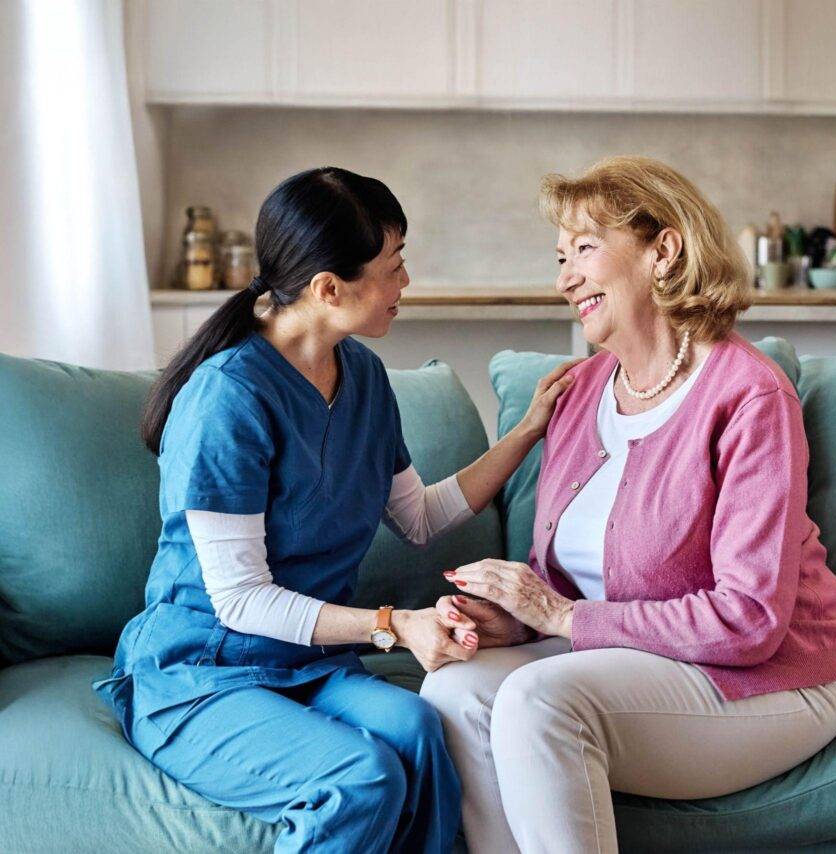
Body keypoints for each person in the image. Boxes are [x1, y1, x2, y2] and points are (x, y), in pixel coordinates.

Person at [91, 166, 578, 853]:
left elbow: (418, 518)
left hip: (307, 665)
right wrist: (393, 625)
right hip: (202, 671)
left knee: (418, 733)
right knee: (363, 777)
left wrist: (527, 430)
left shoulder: (366, 379)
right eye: (394, 265)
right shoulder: (227, 398)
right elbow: (239, 600)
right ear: (329, 288)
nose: (406, 282)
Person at [420, 156, 836, 854]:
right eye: (560, 257)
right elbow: (561, 582)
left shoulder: (749, 397)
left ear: (663, 250)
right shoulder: (579, 392)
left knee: (542, 704)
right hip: (628, 662)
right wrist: (511, 619)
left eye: (585, 249)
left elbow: (749, 620)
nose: (565, 277)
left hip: (765, 677)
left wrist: (562, 618)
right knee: (456, 692)